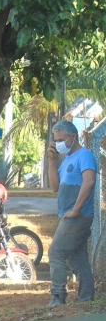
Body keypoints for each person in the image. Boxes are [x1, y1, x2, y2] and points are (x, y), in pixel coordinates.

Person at [45, 119, 97, 306]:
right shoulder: (67, 159)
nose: (57, 143)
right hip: (67, 215)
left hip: (78, 216)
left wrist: (76, 210)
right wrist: (52, 161)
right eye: (55, 139)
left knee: (56, 252)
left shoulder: (85, 156)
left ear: (73, 137)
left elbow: (89, 181)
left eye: (61, 139)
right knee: (77, 257)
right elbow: (55, 187)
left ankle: (58, 295)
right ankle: (86, 297)